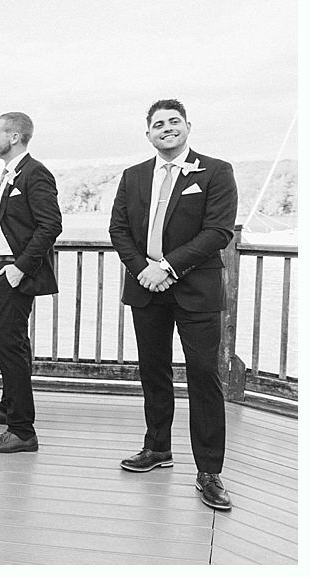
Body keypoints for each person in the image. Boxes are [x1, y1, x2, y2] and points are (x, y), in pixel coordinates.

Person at [109, 99, 238, 511]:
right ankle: (157, 447)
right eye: (158, 124)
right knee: (153, 370)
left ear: (187, 127)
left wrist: (167, 267)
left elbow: (218, 231)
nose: (167, 128)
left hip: (195, 289)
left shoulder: (215, 171)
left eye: (174, 121)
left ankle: (209, 471)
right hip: (146, 289)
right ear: (148, 133)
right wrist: (144, 271)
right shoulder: (133, 176)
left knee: (203, 375)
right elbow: (118, 229)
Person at [0, 112, 62, 454]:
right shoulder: (10, 174)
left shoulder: (35, 173)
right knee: (10, 342)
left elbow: (51, 225)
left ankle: (22, 430)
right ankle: (9, 406)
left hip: (13, 272)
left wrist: (19, 268)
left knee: (11, 346)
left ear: (14, 137)